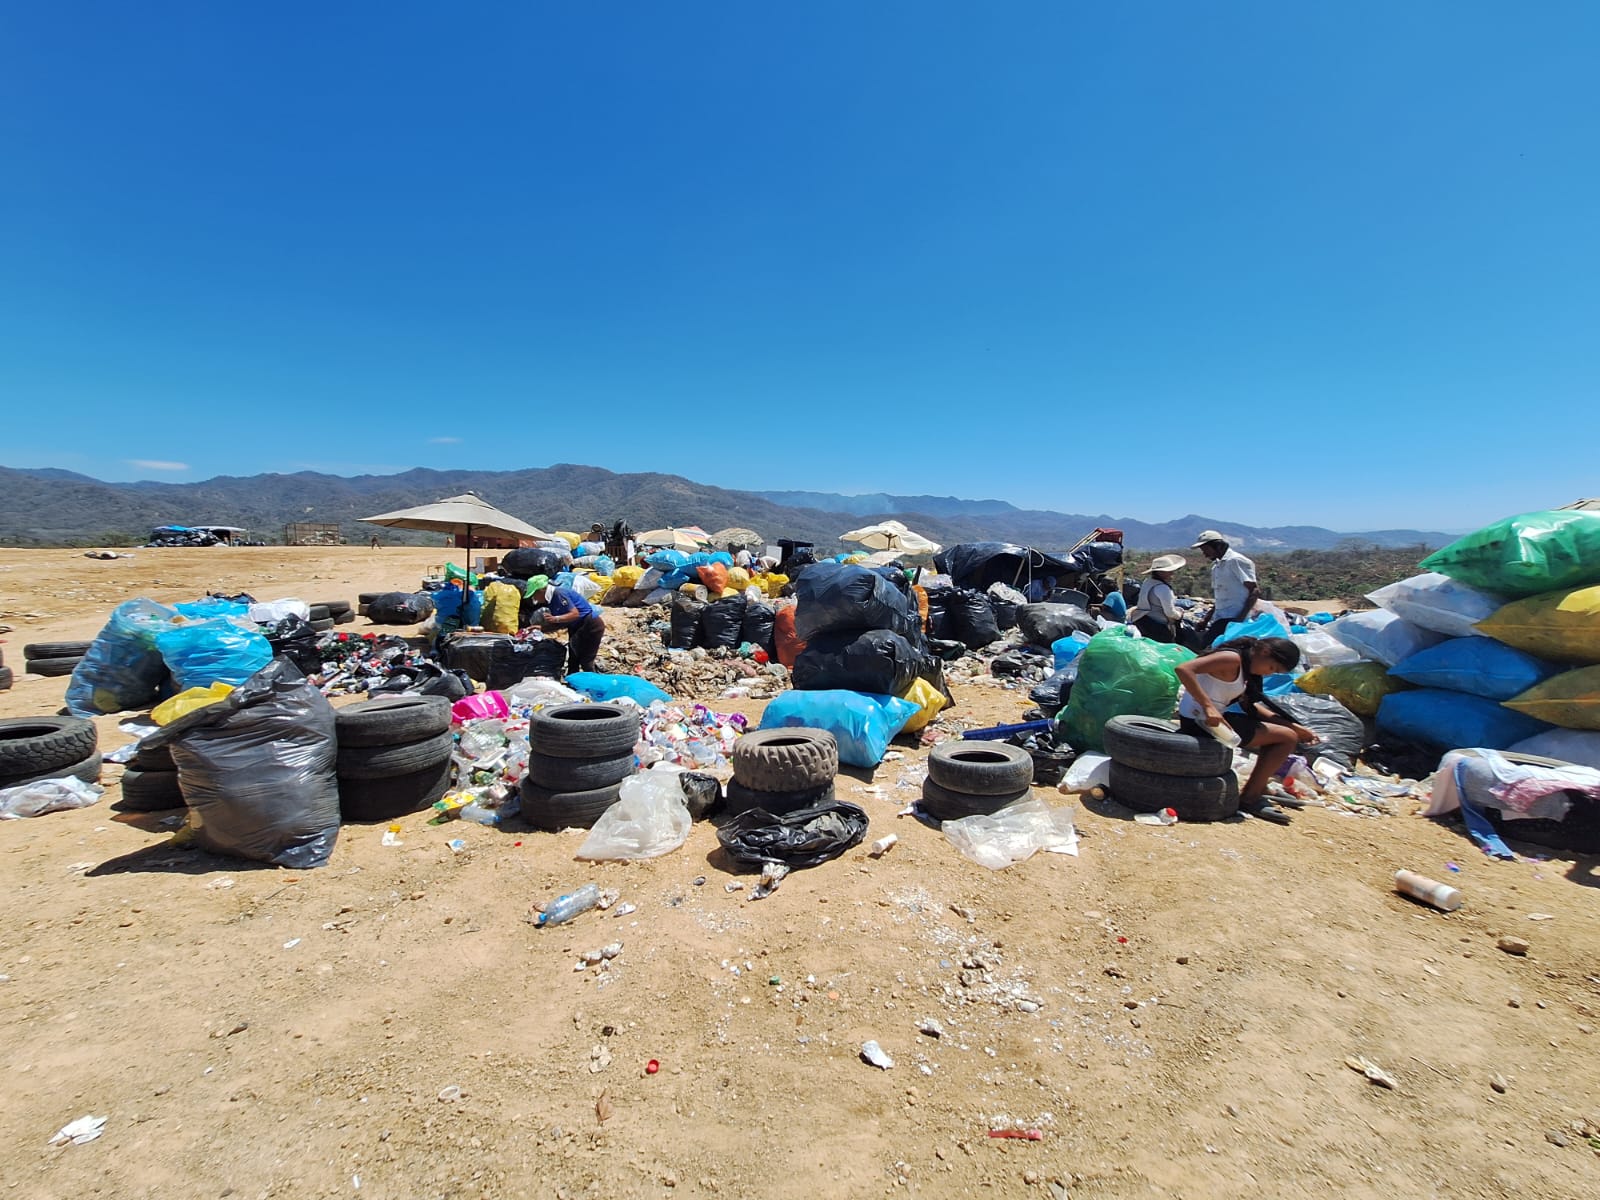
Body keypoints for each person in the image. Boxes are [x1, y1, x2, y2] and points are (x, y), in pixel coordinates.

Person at [1173, 635, 1315, 824]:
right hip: (1199, 720)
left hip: (1213, 720)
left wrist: (1293, 726)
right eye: (1272, 668)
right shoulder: (1232, 659)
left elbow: (1252, 707)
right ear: (1264, 653)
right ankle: (1251, 797)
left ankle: (1259, 787)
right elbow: (1184, 669)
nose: (1269, 674)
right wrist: (1208, 706)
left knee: (1287, 734)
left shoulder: (1247, 671)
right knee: (1286, 738)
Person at [524, 574, 605, 675]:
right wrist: (541, 628)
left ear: (541, 591)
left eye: (534, 595)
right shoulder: (551, 600)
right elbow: (562, 623)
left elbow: (575, 614)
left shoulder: (558, 594)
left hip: (590, 626)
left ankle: (594, 685)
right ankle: (572, 684)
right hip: (576, 627)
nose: (534, 598)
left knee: (586, 661)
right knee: (573, 659)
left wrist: (556, 618)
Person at [1192, 530, 1259, 646]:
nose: (1205, 554)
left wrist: (1239, 619)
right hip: (1221, 617)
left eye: (1206, 550)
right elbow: (1220, 597)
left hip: (1234, 617)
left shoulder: (1236, 561)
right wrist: (1206, 619)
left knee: (1208, 648)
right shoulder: (1216, 567)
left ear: (1217, 546)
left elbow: (1254, 591)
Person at [1127, 554, 1184, 642]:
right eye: (1169, 571)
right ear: (1160, 572)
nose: (1172, 573)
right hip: (1157, 626)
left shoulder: (1148, 582)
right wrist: (1179, 614)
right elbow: (1169, 612)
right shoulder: (1163, 588)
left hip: (1141, 620)